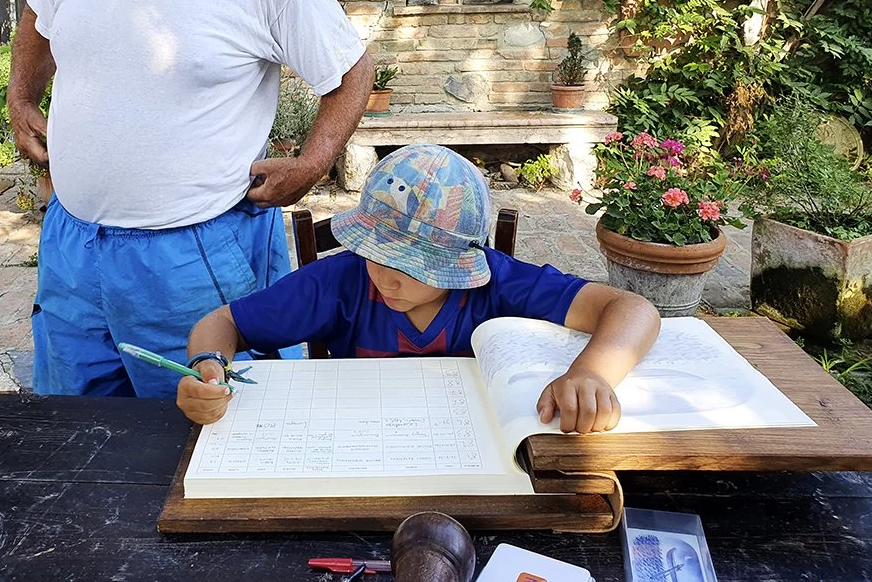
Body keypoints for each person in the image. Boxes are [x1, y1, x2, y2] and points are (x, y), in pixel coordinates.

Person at [8, 0, 373, 399]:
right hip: (73, 245)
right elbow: (39, 19)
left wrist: (314, 162)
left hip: (194, 256)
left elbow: (350, 68)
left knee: (210, 429)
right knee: (76, 427)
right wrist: (20, 97)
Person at [177, 145, 661, 434]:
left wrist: (591, 373)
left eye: (414, 267)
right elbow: (223, 323)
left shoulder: (497, 281)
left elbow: (632, 308)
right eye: (377, 255)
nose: (387, 278)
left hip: (478, 447)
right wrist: (210, 367)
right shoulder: (341, 281)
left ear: (459, 262)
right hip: (360, 438)